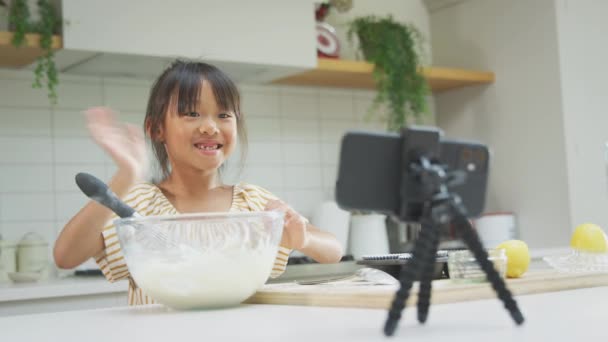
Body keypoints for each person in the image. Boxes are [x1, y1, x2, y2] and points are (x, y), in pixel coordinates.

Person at [53, 60, 343, 305]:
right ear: (156, 129)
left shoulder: (254, 205)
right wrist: (126, 175)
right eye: (192, 113)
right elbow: (66, 256)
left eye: (224, 115)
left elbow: (333, 250)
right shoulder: (138, 206)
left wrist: (302, 239)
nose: (210, 126)